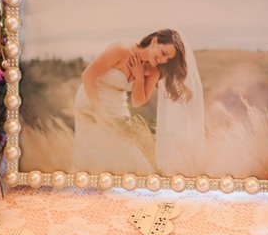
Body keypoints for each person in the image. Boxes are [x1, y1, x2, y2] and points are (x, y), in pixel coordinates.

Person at [72, 29, 204, 176]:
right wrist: (99, 113)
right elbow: (88, 75)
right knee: (94, 151)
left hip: (117, 105)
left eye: (168, 59)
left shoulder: (154, 71)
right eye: (163, 53)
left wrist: (139, 76)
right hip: (91, 99)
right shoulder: (121, 49)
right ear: (154, 41)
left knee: (129, 154)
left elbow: (137, 102)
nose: (163, 60)